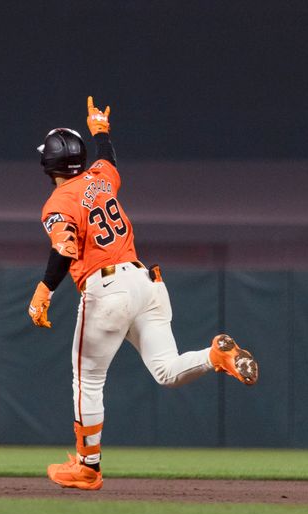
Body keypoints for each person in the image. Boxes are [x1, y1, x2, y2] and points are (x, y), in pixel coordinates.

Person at [28, 97, 259, 491]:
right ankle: (214, 355)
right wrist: (101, 130)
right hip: (146, 283)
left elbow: (65, 249)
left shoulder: (57, 202)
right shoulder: (101, 177)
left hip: (108, 289)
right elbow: (109, 159)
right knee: (167, 371)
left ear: (47, 165)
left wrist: (43, 290)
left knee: (87, 380)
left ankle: (88, 467)